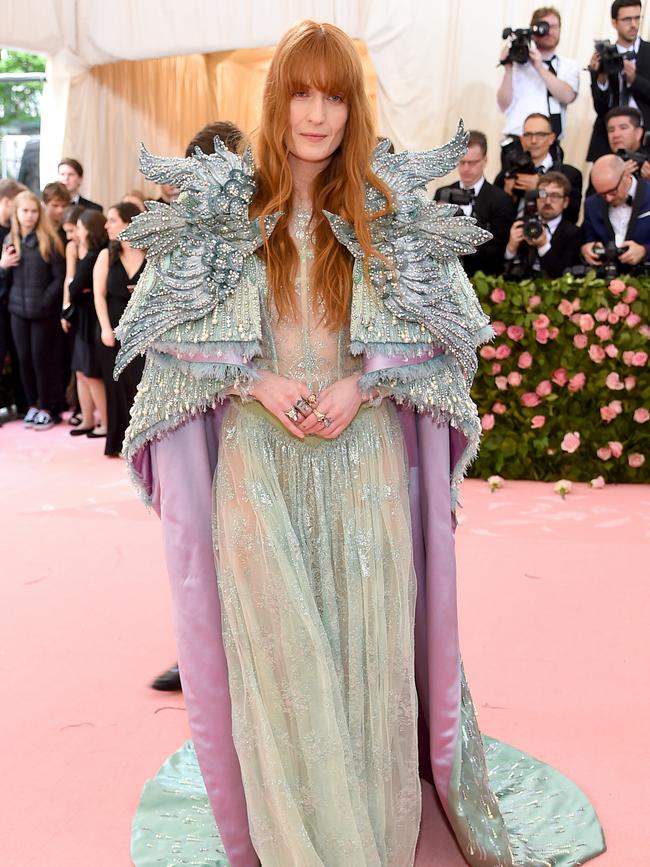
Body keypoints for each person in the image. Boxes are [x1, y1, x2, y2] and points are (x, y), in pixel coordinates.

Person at [117, 21, 606, 867]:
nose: (316, 114)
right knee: (278, 658)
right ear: (277, 100)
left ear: (353, 106)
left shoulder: (389, 209)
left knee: (369, 649)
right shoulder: (222, 208)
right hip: (256, 464)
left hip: (364, 461)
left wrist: (365, 383)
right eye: (301, 93)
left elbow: (448, 333)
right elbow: (166, 339)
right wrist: (252, 381)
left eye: (334, 95)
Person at [150, 119, 246, 695]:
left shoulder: (267, 235)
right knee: (192, 531)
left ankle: (254, 653)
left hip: (254, 407)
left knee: (253, 533)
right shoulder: (178, 240)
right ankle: (199, 657)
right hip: (188, 408)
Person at [0, 191, 65, 430]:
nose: (29, 216)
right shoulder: (10, 240)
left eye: (33, 211)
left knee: (41, 360)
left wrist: (45, 301)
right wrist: (3, 267)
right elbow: (5, 281)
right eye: (25, 211)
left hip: (42, 313)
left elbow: (59, 279)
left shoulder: (50, 240)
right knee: (24, 360)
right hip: (17, 312)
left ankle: (48, 406)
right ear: (17, 213)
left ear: (40, 213)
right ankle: (32, 406)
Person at [497, 6, 579, 169]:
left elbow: (567, 96)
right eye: (544, 26)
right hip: (517, 141)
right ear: (533, 30)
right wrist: (507, 68)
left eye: (554, 26)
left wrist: (540, 67)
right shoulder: (518, 65)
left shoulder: (569, 66)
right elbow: (503, 105)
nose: (549, 31)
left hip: (550, 144)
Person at [93, 202, 145, 456]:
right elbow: (98, 295)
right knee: (116, 388)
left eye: (112, 220)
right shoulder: (107, 255)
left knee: (141, 386)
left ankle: (143, 441)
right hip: (112, 330)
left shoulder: (151, 253)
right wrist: (105, 328)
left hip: (143, 332)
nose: (107, 225)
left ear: (128, 222)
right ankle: (119, 442)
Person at [434, 130, 514, 277]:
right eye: (461, 162)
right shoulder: (443, 193)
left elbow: (498, 250)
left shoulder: (500, 199)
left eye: (472, 163)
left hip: (483, 278)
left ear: (484, 161)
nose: (465, 169)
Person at [587, 0, 650, 162]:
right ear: (614, 22)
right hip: (609, 141)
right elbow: (600, 108)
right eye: (627, 19)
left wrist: (635, 80)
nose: (634, 24)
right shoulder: (604, 55)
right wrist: (600, 79)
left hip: (647, 138)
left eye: (637, 18)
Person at [64, 210, 109, 438]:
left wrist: (77, 289)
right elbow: (75, 289)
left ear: (89, 230)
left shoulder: (94, 255)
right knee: (81, 372)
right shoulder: (87, 253)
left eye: (79, 227)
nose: (77, 232)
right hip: (83, 318)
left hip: (91, 320)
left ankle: (106, 424)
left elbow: (73, 288)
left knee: (91, 373)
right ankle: (88, 419)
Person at [494, 112, 583, 222]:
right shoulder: (507, 174)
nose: (534, 141)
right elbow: (495, 218)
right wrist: (507, 196)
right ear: (522, 139)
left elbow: (572, 217)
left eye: (540, 135)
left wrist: (540, 188)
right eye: (528, 135)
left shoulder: (569, 174)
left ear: (551, 138)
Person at [504, 171, 582, 278]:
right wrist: (511, 248)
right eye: (542, 194)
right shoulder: (522, 224)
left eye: (555, 196)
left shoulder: (574, 233)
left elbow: (565, 276)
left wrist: (543, 246)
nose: (548, 201)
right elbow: (502, 269)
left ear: (565, 202)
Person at [582, 152, 650, 272]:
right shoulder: (591, 204)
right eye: (602, 195)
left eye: (613, 192)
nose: (608, 198)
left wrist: (645, 251)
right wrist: (587, 249)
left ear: (626, 175)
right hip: (605, 280)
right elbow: (588, 237)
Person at [0, 179, 28, 417]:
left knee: (18, 356)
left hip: (12, 306)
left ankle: (22, 404)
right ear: (8, 202)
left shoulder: (13, 233)